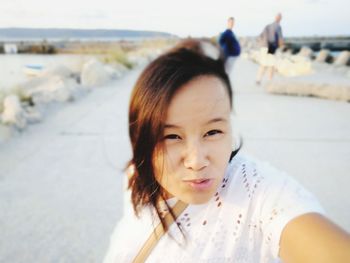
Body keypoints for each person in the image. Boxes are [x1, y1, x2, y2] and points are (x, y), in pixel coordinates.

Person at [103, 39, 350, 263]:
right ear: (141, 138)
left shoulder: (257, 192)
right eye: (172, 136)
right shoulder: (135, 174)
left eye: (212, 132)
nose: (197, 161)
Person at [256, 13, 284, 85]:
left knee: (263, 64)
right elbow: (280, 39)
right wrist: (282, 48)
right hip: (271, 47)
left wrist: (262, 45)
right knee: (272, 65)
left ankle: (258, 79)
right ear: (280, 19)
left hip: (264, 47)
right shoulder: (278, 27)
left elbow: (260, 36)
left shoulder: (268, 26)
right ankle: (270, 81)